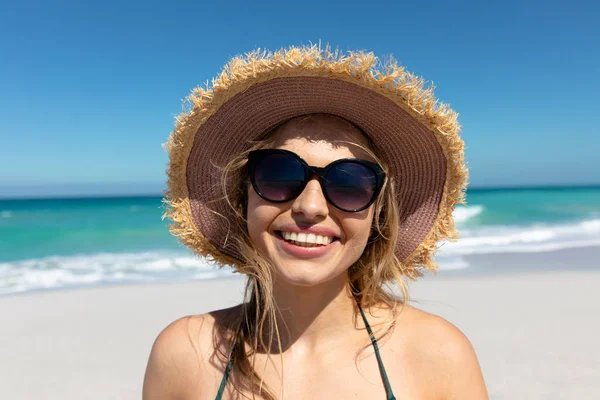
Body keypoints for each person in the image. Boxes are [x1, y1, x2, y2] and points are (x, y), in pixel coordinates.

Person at [143, 45, 488, 399]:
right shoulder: (183, 353)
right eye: (279, 174)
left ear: (378, 214)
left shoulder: (438, 354)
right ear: (242, 197)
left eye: (350, 184)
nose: (310, 206)